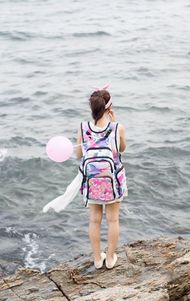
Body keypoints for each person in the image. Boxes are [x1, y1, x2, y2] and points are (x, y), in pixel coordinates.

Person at [76, 88, 128, 269]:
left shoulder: (83, 128)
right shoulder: (117, 127)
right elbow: (121, 149)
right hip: (112, 182)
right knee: (112, 219)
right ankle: (111, 257)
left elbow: (78, 154)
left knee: (94, 219)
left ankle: (98, 259)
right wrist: (113, 123)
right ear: (109, 107)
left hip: (91, 183)